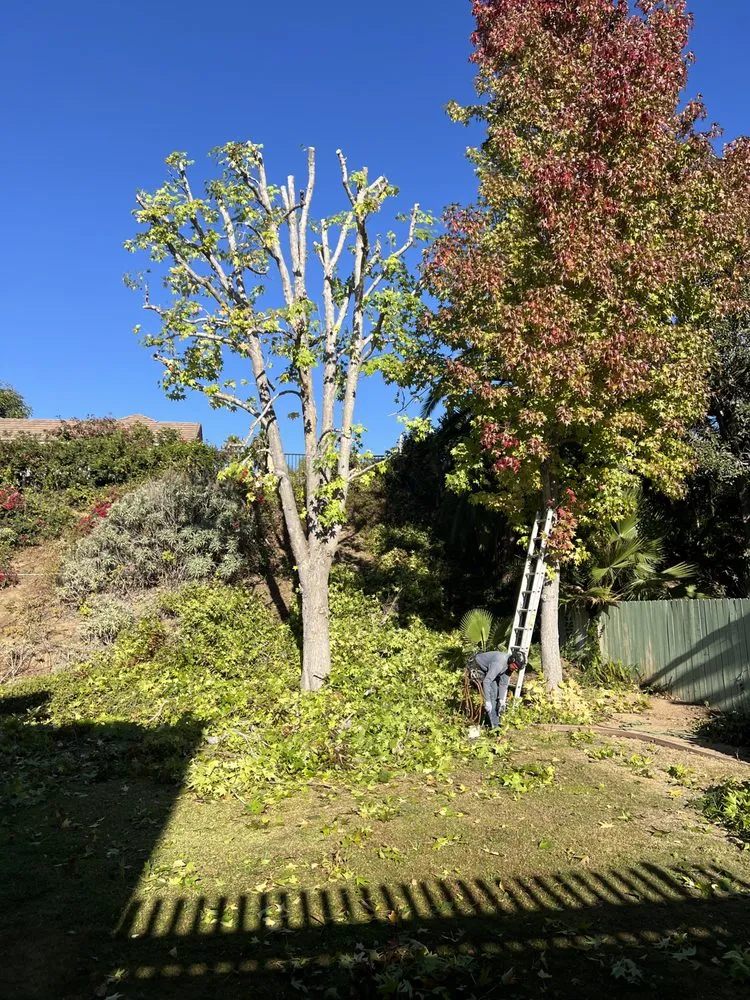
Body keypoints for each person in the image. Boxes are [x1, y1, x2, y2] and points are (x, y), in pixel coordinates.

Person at [469, 649, 527, 728]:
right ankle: (494, 726)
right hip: (478, 666)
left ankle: (489, 722)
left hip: (489, 670)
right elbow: (487, 681)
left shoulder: (510, 667)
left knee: (496, 695)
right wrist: (488, 701)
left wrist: (501, 700)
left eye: (517, 669)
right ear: (512, 660)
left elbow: (503, 683)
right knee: (492, 694)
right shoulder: (499, 663)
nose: (515, 669)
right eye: (515, 667)